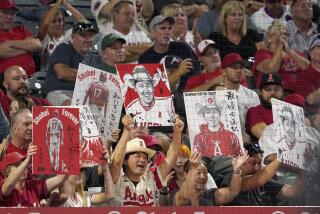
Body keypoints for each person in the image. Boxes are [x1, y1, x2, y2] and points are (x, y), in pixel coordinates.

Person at [110, 115, 184, 206]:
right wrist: (127, 130)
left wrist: (177, 132)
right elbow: (116, 163)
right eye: (137, 156)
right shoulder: (116, 181)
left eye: (145, 157)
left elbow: (171, 157)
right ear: (125, 161)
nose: (142, 160)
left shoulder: (151, 179)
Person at [44, 21, 97, 106]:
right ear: (73, 37)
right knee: (70, 105)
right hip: (59, 93)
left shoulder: (94, 56)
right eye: (83, 36)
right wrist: (93, 77)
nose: (88, 40)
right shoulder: (64, 48)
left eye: (90, 36)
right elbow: (62, 73)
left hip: (83, 95)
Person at [138, 15, 197, 91]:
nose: (167, 32)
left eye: (169, 28)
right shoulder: (145, 58)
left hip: (187, 94)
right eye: (163, 28)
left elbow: (197, 73)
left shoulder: (183, 48)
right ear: (152, 33)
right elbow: (154, 90)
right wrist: (179, 72)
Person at [0, 144, 68, 207]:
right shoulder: (4, 186)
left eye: (24, 164)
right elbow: (9, 185)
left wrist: (73, 160)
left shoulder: (33, 186)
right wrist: (27, 161)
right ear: (7, 171)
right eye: (18, 165)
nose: (24, 168)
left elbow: (61, 178)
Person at [253, 20, 310, 94]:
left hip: (300, 93)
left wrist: (289, 51)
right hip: (276, 94)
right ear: (269, 38)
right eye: (280, 34)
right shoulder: (262, 54)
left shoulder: (295, 53)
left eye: (286, 34)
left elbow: (309, 68)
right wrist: (280, 45)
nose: (283, 37)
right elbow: (272, 69)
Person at [173, 152, 248, 206]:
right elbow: (188, 194)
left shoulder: (211, 195)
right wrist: (193, 168)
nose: (202, 176)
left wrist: (237, 170)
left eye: (205, 172)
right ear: (186, 175)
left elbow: (233, 192)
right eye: (198, 173)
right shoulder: (178, 196)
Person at [37, 0, 86, 69]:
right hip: (48, 74)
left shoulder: (69, 35)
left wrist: (67, 5)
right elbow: (45, 24)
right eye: (53, 21)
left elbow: (84, 23)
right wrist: (58, 3)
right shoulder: (45, 37)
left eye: (60, 21)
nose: (57, 24)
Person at [219, 53, 260, 131]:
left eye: (241, 67)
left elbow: (256, 122)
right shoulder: (215, 93)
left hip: (248, 137)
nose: (239, 70)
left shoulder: (252, 95)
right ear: (223, 71)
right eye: (234, 67)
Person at [0, 0, 42, 76]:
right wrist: (27, 47)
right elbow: (1, 52)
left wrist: (8, 44)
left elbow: (37, 44)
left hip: (31, 78)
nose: (9, 17)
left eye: (12, 13)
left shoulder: (21, 30)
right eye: (5, 12)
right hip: (4, 81)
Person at [245, 73, 284, 142]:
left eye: (276, 89)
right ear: (261, 92)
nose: (272, 92)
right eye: (267, 89)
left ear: (282, 91)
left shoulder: (290, 110)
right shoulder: (254, 111)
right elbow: (265, 135)